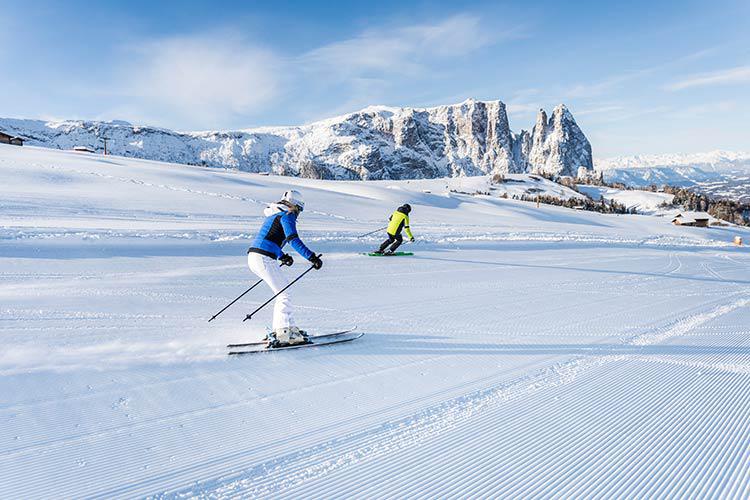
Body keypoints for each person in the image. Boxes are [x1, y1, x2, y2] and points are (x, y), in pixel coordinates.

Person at [247, 189, 323, 347]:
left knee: (283, 292)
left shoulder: (276, 214)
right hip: (263, 258)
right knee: (284, 293)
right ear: (295, 206)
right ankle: (283, 332)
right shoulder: (287, 215)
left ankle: (287, 328)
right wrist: (311, 257)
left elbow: (269, 239)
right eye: (299, 210)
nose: (298, 214)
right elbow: (292, 239)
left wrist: (282, 256)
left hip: (256, 257)